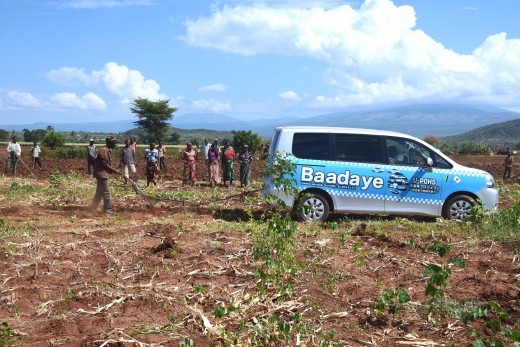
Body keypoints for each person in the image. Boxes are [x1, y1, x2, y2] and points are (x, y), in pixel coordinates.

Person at [89, 136, 120, 214]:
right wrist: (114, 170)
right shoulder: (103, 150)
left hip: (102, 174)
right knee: (106, 192)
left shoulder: (108, 150)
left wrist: (114, 170)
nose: (114, 144)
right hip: (101, 174)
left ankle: (92, 208)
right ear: (109, 143)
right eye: (113, 143)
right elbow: (104, 164)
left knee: (99, 193)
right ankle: (108, 210)